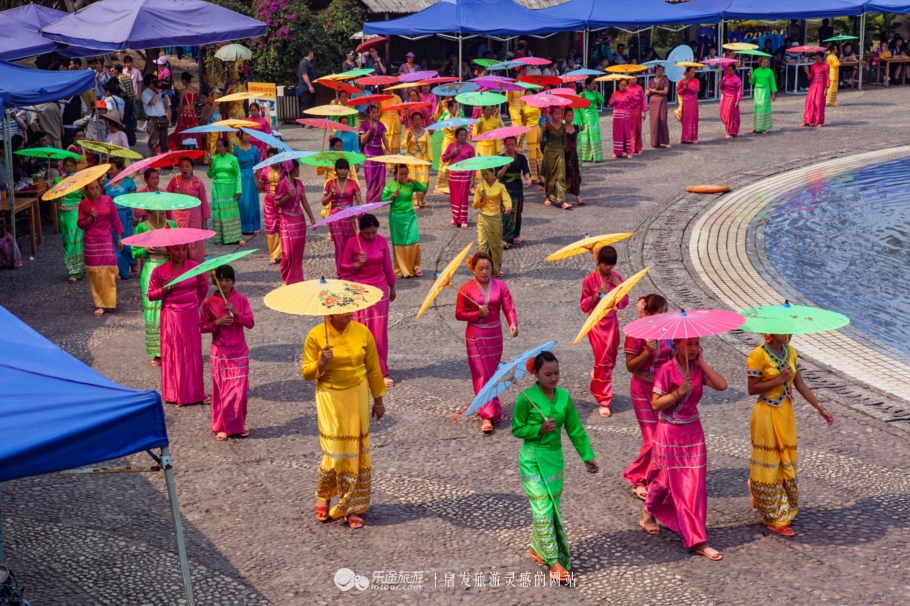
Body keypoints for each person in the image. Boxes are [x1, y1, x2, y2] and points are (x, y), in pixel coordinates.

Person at [640, 337, 728, 561]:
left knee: (694, 486)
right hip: (669, 432)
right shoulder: (666, 370)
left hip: (693, 432)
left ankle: (698, 539)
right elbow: (656, 404)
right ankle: (648, 513)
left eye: (696, 343)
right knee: (663, 481)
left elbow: (722, 385)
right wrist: (679, 392)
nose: (693, 348)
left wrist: (702, 362)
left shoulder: (697, 368)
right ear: (676, 344)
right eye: (688, 344)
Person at [513, 351, 597, 581]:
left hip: (554, 459)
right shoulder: (525, 398)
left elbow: (575, 429)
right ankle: (553, 561)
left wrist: (587, 456)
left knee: (551, 507)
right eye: (547, 374)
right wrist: (538, 429)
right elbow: (516, 429)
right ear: (536, 373)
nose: (553, 378)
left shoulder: (563, 397)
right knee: (542, 508)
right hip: (531, 459)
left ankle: (536, 548)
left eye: (556, 373)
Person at [302, 309, 386, 528]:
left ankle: (350, 506)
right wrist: (321, 363)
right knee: (336, 452)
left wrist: (378, 400)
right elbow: (306, 373)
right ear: (330, 313)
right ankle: (324, 495)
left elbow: (373, 369)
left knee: (355, 451)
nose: (351, 312)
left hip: (357, 394)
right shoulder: (316, 335)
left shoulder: (362, 332)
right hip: (330, 397)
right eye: (344, 310)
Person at [746, 333, 834, 537]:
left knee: (786, 461)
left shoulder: (791, 353)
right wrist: (779, 379)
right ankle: (775, 518)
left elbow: (800, 384)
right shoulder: (757, 354)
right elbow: (752, 388)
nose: (789, 334)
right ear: (771, 332)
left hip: (785, 414)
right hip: (766, 412)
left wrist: (820, 408)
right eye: (784, 330)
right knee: (770, 461)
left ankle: (763, 494)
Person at [456, 251, 518, 433]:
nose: (484, 272)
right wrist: (476, 314)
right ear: (473, 269)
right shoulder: (466, 289)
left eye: (488, 268)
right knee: (480, 374)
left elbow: (508, 306)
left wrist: (512, 323)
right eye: (480, 268)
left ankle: (490, 406)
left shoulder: (500, 285)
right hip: (475, 335)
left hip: (495, 335)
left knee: (492, 373)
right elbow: (459, 314)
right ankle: (486, 415)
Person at [622, 294, 672, 499]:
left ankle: (660, 475)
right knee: (651, 438)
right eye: (659, 312)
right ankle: (639, 477)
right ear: (649, 313)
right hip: (642, 389)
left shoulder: (669, 331)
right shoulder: (636, 333)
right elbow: (630, 366)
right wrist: (647, 352)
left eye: (665, 311)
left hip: (663, 390)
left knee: (664, 436)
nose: (663, 315)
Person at [147, 244, 209, 406]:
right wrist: (165, 289)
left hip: (190, 314)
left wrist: (195, 304)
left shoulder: (194, 267)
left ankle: (195, 392)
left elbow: (203, 287)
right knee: (175, 353)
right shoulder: (159, 271)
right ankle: (175, 392)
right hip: (171, 316)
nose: (181, 253)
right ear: (168, 250)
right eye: (176, 249)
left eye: (183, 249)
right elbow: (151, 295)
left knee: (193, 353)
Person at [340, 214, 397, 387]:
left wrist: (392, 285)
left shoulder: (381, 241)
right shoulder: (352, 243)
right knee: (361, 330)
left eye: (373, 232)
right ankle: (361, 368)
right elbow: (342, 268)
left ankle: (380, 370)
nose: (371, 236)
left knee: (379, 332)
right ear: (360, 230)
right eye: (367, 233)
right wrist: (356, 264)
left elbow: (387, 264)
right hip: (359, 291)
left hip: (379, 290)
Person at [201, 264, 255, 441]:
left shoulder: (241, 299)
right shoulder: (209, 303)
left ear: (233, 281)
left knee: (240, 390)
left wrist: (236, 312)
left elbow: (250, 323)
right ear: (214, 281)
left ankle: (239, 423)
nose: (224, 283)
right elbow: (201, 327)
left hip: (239, 351)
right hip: (220, 353)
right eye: (220, 280)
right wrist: (217, 323)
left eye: (227, 280)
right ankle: (223, 425)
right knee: (222, 391)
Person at [580, 246, 629, 417]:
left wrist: (620, 288)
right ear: (599, 261)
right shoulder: (589, 280)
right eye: (606, 265)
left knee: (611, 358)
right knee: (603, 359)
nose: (608, 269)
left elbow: (623, 304)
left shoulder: (616, 278)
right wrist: (596, 294)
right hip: (597, 324)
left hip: (612, 323)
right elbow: (584, 305)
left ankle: (598, 380)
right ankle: (604, 399)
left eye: (611, 265)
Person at [132, 209, 177, 366]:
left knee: (170, 309)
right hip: (150, 271)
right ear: (150, 210)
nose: (162, 210)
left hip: (169, 270)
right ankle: (156, 352)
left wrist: (165, 252)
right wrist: (145, 250)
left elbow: (180, 249)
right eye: (158, 207)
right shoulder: (142, 227)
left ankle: (172, 348)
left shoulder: (172, 225)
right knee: (152, 310)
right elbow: (134, 252)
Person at [77, 180, 124, 316]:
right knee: (95, 274)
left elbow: (115, 220)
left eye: (97, 187)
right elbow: (81, 224)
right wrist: (90, 219)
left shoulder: (108, 200)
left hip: (106, 239)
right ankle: (100, 303)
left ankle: (109, 300)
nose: (95, 191)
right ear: (87, 190)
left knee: (110, 270)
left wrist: (120, 239)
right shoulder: (83, 204)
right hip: (91, 241)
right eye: (92, 189)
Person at [321, 158, 363, 277]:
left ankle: (351, 270)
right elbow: (324, 202)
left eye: (345, 168)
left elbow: (359, 201)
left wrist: (363, 213)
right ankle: (341, 272)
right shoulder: (330, 183)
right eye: (340, 168)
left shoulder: (353, 184)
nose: (343, 171)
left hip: (349, 217)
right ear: (336, 170)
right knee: (339, 245)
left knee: (350, 245)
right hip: (335, 218)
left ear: (348, 170)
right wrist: (331, 194)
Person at [275, 160, 315, 285]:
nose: (299, 171)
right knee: (287, 252)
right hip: (286, 220)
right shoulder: (282, 184)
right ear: (295, 169)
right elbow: (276, 204)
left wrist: (311, 217)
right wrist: (287, 196)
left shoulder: (299, 183)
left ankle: (296, 278)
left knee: (297, 252)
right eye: (298, 168)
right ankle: (285, 277)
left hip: (299, 221)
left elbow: (304, 201)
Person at [382, 164, 425, 278]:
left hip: (410, 215)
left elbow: (423, 188)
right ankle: (399, 268)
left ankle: (415, 266)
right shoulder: (390, 186)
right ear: (395, 174)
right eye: (401, 174)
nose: (403, 176)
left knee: (413, 239)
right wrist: (391, 196)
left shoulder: (410, 184)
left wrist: (413, 180)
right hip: (396, 217)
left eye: (405, 173)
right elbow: (382, 200)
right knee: (399, 243)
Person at [165, 157, 210, 264]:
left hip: (195, 217)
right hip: (178, 217)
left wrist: (204, 222)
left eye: (187, 166)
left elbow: (203, 202)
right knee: (180, 242)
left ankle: (197, 269)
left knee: (195, 243)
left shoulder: (198, 183)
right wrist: (175, 195)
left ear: (192, 168)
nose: (184, 168)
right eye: (182, 166)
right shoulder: (174, 181)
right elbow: (166, 199)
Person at [473, 169, 512, 277]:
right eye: (483, 174)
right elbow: (475, 205)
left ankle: (495, 269)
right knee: (482, 244)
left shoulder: (500, 186)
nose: (485, 176)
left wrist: (508, 207)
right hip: (483, 216)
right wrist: (482, 197)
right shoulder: (480, 187)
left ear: (493, 173)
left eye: (487, 174)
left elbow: (506, 199)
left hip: (495, 217)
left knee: (496, 245)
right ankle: (481, 269)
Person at [104, 159, 138, 280]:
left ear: (120, 169)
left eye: (112, 168)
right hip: (111, 217)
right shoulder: (105, 183)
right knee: (115, 245)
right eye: (109, 169)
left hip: (126, 216)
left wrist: (136, 215)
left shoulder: (129, 182)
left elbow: (135, 201)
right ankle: (120, 271)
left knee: (127, 244)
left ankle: (133, 261)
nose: (110, 171)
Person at [207, 138, 245, 245]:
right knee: (218, 211)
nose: (218, 148)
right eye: (217, 146)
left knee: (232, 211)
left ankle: (236, 237)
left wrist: (239, 190)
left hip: (229, 188)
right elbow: (210, 176)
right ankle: (219, 238)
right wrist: (210, 166)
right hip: (217, 188)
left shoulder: (233, 159)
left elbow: (237, 175)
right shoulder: (214, 159)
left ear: (226, 147)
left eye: (220, 146)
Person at [55, 159, 86, 283]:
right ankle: (70, 270)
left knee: (78, 243)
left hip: (78, 214)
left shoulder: (81, 181)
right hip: (65, 215)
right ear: (63, 167)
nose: (70, 168)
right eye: (67, 166)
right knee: (68, 243)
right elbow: (53, 200)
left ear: (76, 167)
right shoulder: (58, 181)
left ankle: (76, 271)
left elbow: (88, 197)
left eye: (72, 166)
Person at [497, 136, 531, 247]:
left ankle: (516, 234)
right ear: (504, 144)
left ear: (516, 145)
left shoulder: (521, 157)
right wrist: (505, 167)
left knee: (518, 212)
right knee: (507, 212)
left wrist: (528, 179)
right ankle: (507, 238)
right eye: (508, 144)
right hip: (505, 188)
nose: (510, 147)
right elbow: (498, 175)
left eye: (512, 144)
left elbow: (525, 170)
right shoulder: (500, 158)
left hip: (517, 187)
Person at [441, 127, 475, 229]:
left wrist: (473, 177)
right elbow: (444, 159)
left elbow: (473, 164)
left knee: (463, 197)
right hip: (453, 176)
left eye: (465, 135)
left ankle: (463, 219)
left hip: (465, 176)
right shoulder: (451, 146)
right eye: (461, 135)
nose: (463, 137)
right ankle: (455, 218)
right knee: (454, 198)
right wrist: (452, 154)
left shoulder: (470, 148)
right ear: (456, 136)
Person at [232, 129, 262, 235]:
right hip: (240, 176)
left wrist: (257, 172)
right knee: (242, 202)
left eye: (249, 134)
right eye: (246, 134)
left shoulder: (254, 149)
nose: (248, 136)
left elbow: (259, 162)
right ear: (240, 136)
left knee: (252, 201)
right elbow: (233, 164)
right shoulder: (235, 150)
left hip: (252, 176)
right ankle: (241, 226)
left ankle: (254, 226)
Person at [257, 148, 283, 265]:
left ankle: (283, 252)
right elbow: (260, 188)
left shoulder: (284, 170)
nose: (273, 160)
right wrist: (255, 176)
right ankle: (274, 254)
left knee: (281, 226)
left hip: (282, 201)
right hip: (269, 203)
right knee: (271, 228)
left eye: (275, 157)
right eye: (270, 158)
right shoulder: (264, 171)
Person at [434, 100, 465, 193]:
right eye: (455, 107)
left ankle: (452, 183)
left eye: (458, 107)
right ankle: (440, 185)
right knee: (446, 161)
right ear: (450, 108)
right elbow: (454, 130)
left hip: (455, 142)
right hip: (448, 142)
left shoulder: (456, 117)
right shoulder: (447, 117)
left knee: (454, 161)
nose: (457, 109)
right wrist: (456, 118)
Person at [359, 105, 389, 203]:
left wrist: (388, 150)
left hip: (379, 152)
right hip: (369, 152)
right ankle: (371, 198)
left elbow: (384, 138)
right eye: (373, 112)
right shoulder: (364, 125)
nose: (376, 114)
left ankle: (380, 198)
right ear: (368, 114)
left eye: (377, 112)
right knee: (371, 176)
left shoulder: (381, 125)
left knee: (381, 175)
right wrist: (369, 130)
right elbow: (362, 140)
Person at [541, 106, 568, 209]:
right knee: (549, 176)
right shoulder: (547, 125)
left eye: (560, 113)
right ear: (551, 114)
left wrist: (561, 152)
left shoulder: (563, 126)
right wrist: (542, 128)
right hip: (549, 153)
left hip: (559, 152)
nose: (558, 115)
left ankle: (563, 200)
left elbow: (564, 142)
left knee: (561, 176)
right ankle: (549, 196)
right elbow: (539, 140)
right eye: (556, 113)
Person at [402, 112, 432, 208]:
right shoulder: (408, 131)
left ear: (422, 120)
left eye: (419, 119)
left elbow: (429, 147)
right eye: (415, 119)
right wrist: (408, 139)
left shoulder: (426, 132)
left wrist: (430, 159)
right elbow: (403, 146)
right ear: (412, 120)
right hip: (411, 160)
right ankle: (414, 201)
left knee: (425, 181)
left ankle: (421, 196)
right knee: (413, 180)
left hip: (423, 159)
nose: (417, 121)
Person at [573, 77, 604, 162]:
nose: (594, 85)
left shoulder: (595, 92)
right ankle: (586, 156)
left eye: (595, 83)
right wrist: (581, 98)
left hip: (594, 115)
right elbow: (579, 104)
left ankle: (596, 156)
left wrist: (597, 93)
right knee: (586, 135)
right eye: (593, 84)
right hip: (586, 115)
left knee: (594, 135)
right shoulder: (582, 93)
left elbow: (602, 101)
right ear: (587, 85)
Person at [166, 72, 200, 152]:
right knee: (192, 130)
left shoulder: (183, 91)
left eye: (182, 80)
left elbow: (180, 105)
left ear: (184, 80)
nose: (181, 82)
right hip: (193, 113)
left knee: (183, 130)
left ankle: (183, 147)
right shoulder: (195, 90)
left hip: (185, 113)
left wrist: (177, 110)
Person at [142, 74, 171, 157]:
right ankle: (151, 162)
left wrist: (164, 94)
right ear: (149, 83)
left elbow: (166, 105)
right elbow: (153, 102)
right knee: (152, 143)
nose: (155, 83)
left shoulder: (159, 92)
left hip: (162, 118)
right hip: (153, 120)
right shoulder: (145, 93)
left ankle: (165, 162)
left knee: (164, 142)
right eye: (153, 81)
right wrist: (156, 91)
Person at [749, 58, 777, 134]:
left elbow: (772, 83)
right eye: (764, 62)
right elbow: (752, 82)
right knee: (757, 109)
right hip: (757, 91)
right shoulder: (756, 70)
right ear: (760, 62)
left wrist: (773, 93)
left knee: (764, 109)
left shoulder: (770, 71)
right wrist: (750, 76)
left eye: (767, 63)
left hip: (765, 91)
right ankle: (755, 127)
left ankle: (765, 127)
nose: (765, 64)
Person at [802, 52, 830, 127]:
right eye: (816, 58)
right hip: (813, 85)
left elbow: (827, 78)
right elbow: (811, 77)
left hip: (821, 85)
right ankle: (807, 120)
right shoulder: (814, 65)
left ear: (822, 58)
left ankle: (818, 121)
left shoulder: (825, 65)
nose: (817, 60)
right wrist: (807, 72)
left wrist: (826, 89)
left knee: (818, 103)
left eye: (818, 58)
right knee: (809, 101)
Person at [608, 79, 634, 158]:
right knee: (617, 133)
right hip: (617, 115)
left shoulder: (629, 94)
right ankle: (617, 151)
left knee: (626, 132)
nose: (623, 87)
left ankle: (628, 152)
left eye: (625, 85)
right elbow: (610, 105)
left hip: (626, 115)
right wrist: (612, 102)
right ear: (618, 85)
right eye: (622, 85)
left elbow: (636, 100)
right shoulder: (614, 94)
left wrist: (631, 105)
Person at [647, 65, 671, 149]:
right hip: (653, 101)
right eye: (659, 70)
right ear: (655, 71)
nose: (661, 72)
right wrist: (652, 90)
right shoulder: (651, 81)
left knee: (662, 120)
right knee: (654, 121)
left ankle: (666, 141)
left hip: (661, 100)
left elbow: (665, 91)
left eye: (662, 70)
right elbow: (647, 93)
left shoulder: (665, 80)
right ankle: (654, 141)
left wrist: (655, 90)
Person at [563, 109, 584, 206]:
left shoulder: (576, 127)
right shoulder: (561, 128)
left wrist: (576, 154)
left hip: (573, 154)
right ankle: (564, 198)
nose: (570, 118)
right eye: (568, 115)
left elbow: (575, 142)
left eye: (572, 115)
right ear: (564, 116)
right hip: (564, 154)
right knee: (565, 174)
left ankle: (578, 196)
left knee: (575, 174)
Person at [677, 67, 700, 144]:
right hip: (685, 101)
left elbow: (695, 90)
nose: (693, 74)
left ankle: (693, 137)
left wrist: (688, 87)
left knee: (693, 119)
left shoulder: (696, 81)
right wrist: (684, 89)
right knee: (685, 119)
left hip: (693, 101)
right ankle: (684, 137)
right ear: (687, 73)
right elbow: (679, 92)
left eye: (694, 72)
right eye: (691, 72)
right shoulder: (682, 81)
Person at [719, 63, 742, 138]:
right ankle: (728, 129)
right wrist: (720, 84)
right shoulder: (725, 77)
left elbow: (739, 90)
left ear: (734, 70)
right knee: (723, 113)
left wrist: (737, 100)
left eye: (730, 70)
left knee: (730, 115)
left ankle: (731, 132)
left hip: (733, 97)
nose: (729, 72)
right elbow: (723, 88)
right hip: (726, 97)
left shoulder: (737, 79)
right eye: (728, 70)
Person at [379, 91, 404, 156]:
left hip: (395, 122)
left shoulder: (397, 97)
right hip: (385, 122)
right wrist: (378, 104)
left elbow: (402, 112)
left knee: (396, 145)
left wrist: (403, 116)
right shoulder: (380, 98)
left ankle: (396, 163)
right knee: (385, 143)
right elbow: (378, 113)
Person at [627, 78, 647, 154]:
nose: (635, 80)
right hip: (629, 110)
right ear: (629, 79)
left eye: (636, 78)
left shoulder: (639, 87)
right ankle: (629, 147)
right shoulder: (626, 87)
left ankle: (638, 147)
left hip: (637, 110)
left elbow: (643, 100)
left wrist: (644, 111)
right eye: (633, 78)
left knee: (638, 128)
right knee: (629, 129)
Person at [298, 48, 317, 115]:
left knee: (311, 106)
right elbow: (304, 75)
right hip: (306, 89)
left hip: (311, 88)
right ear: (310, 53)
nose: (313, 55)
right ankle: (305, 122)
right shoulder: (304, 63)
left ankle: (310, 122)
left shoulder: (309, 63)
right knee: (306, 106)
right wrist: (310, 86)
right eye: (312, 53)